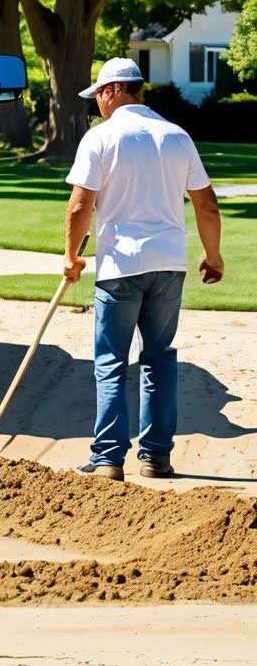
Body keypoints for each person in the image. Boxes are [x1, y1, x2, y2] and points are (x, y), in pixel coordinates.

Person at [63, 57, 224, 481]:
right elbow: (206, 204)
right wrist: (214, 255)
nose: (96, 102)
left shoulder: (101, 138)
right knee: (159, 359)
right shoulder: (177, 136)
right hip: (169, 264)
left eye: (98, 93)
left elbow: (81, 205)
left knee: (111, 361)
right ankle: (155, 457)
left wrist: (71, 256)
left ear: (114, 90)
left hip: (121, 266)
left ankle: (107, 459)